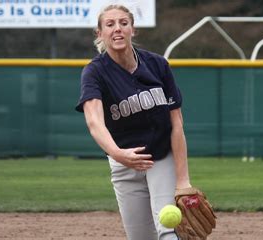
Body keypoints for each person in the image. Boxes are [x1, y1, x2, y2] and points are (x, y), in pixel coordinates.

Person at [75, 4, 191, 240]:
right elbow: (95, 121)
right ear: (100, 33)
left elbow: (176, 124)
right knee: (140, 237)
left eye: (123, 23)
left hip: (160, 157)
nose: (117, 29)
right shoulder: (94, 72)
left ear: (132, 30)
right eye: (110, 24)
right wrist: (117, 154)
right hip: (123, 164)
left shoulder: (158, 65)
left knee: (168, 229)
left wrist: (183, 181)